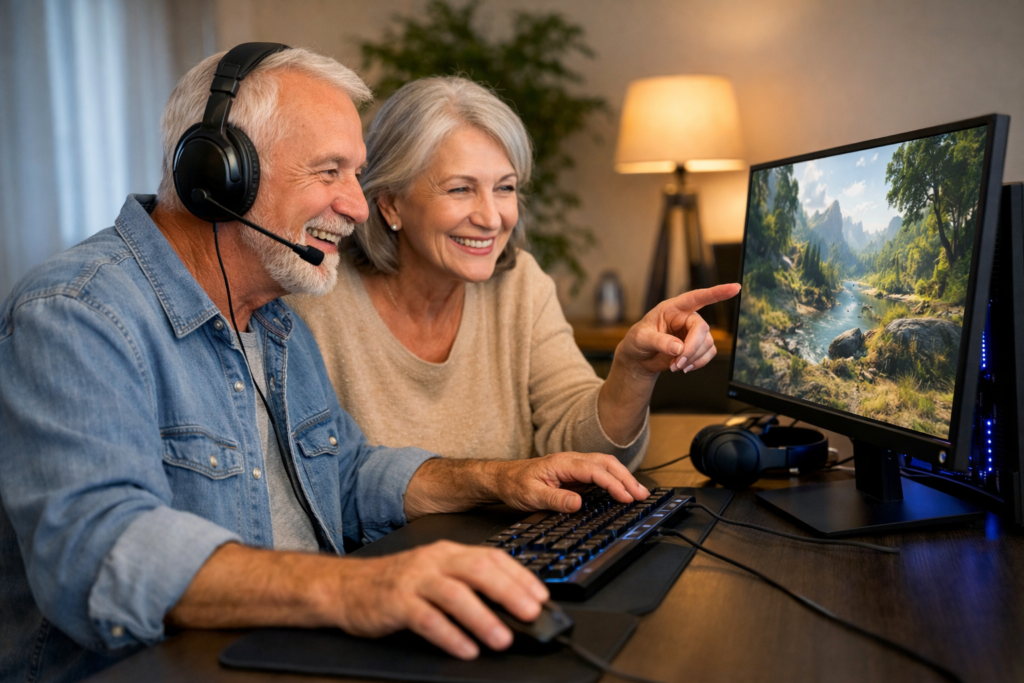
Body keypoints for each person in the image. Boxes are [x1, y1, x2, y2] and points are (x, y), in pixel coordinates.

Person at [0, 46, 652, 683]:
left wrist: (499, 478)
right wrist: (357, 588)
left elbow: (347, 475)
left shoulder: (274, 318)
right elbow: (99, 552)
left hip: (294, 648)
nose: (359, 206)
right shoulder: (76, 314)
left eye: (355, 174)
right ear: (223, 175)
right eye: (330, 171)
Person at [289, 77, 739, 470]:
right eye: (460, 189)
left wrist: (632, 372)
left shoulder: (520, 283)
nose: (492, 218)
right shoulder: (315, 299)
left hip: (513, 539)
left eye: (504, 188)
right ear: (390, 204)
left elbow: (584, 450)